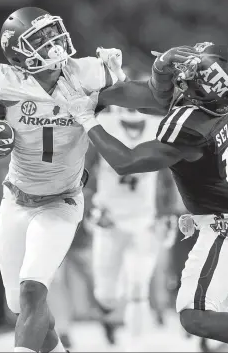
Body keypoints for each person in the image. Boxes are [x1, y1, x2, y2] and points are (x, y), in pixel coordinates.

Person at [0, 6, 195, 353]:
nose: (53, 42)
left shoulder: (85, 73)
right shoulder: (1, 82)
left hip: (63, 200)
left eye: (53, 31)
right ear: (18, 51)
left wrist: (163, 76)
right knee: (19, 305)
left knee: (32, 290)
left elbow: (149, 101)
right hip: (16, 200)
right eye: (39, 38)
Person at [59, 42, 228, 346]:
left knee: (195, 316)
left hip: (224, 226)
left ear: (201, 92)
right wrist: (118, 82)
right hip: (225, 217)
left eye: (190, 75)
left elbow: (127, 162)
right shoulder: (216, 107)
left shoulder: (191, 127)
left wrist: (87, 119)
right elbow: (147, 97)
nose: (181, 75)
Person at [86, 106, 161, 351]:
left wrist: (168, 212)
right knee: (107, 293)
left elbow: (173, 173)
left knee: (139, 285)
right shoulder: (103, 124)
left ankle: (137, 342)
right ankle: (106, 316)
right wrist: (91, 208)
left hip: (144, 218)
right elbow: (81, 171)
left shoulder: (159, 126)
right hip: (110, 218)